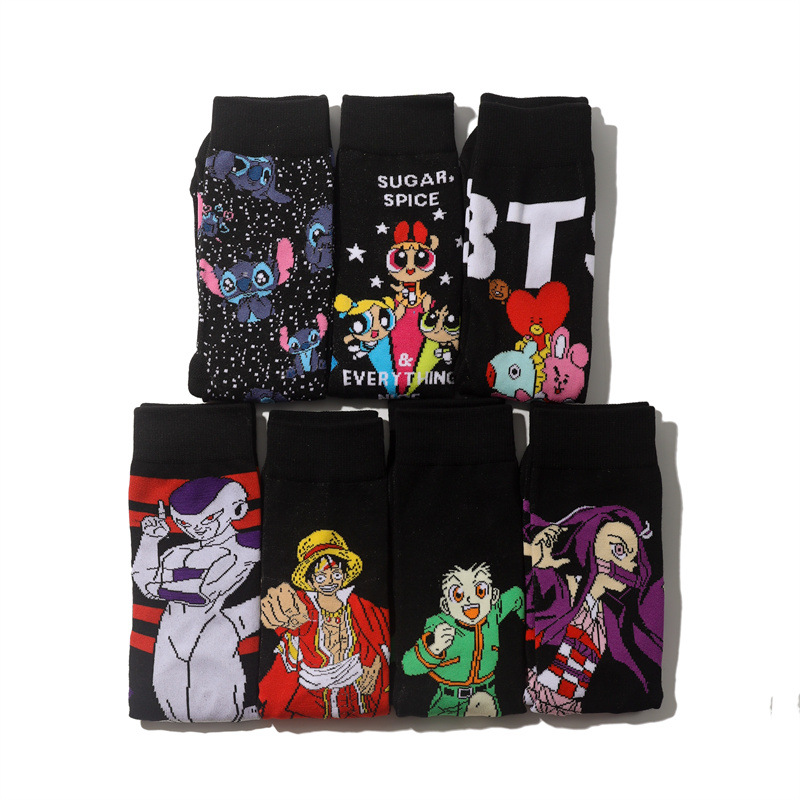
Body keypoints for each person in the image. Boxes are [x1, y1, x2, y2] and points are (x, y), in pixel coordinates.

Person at [132, 477, 259, 722]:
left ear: (237, 509)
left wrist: (159, 587)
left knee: (223, 701)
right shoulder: (177, 552)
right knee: (168, 701)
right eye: (184, 523)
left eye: (209, 518)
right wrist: (149, 540)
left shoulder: (245, 549)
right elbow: (144, 583)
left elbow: (203, 592)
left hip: (213, 632)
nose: (197, 529)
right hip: (170, 632)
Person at [522, 503, 663, 714]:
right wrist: (540, 564)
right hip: (544, 690)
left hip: (573, 702)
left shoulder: (613, 616)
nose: (631, 566)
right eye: (618, 550)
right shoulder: (561, 586)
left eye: (632, 557)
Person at [259, 530, 390, 718]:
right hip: (311, 699)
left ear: (344, 575)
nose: (329, 581)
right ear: (311, 581)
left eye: (336, 574)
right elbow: (279, 622)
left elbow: (379, 640)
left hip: (359, 698)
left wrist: (375, 666)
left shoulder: (361, 607)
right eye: (321, 577)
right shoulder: (299, 608)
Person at [401, 562, 523, 716]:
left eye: (480, 591)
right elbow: (408, 667)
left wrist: (529, 629)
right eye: (458, 594)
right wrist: (435, 647)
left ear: (493, 596)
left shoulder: (493, 614)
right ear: (445, 605)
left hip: (488, 697)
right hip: (446, 701)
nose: (470, 599)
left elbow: (516, 595)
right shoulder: (438, 624)